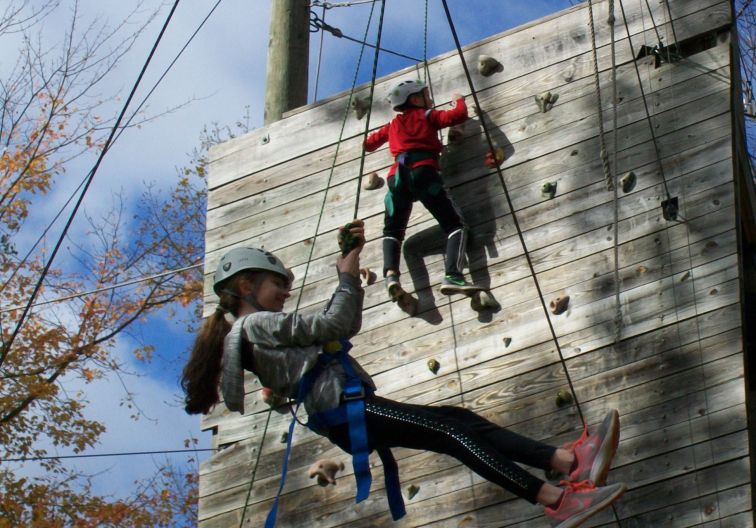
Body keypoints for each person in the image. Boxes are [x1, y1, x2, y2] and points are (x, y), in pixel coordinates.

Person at [181, 221, 626, 528]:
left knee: (455, 420)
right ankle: (556, 500)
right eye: (277, 287)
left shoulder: (251, 333)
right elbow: (335, 325)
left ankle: (566, 462)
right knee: (451, 433)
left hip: (345, 410)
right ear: (244, 288)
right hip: (346, 408)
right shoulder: (253, 325)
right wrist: (346, 277)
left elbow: (328, 334)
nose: (283, 296)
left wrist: (348, 260)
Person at [364, 79, 481, 301]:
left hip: (397, 179)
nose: (430, 100)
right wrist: (459, 100)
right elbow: (456, 116)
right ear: (416, 99)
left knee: (392, 231)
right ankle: (453, 275)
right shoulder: (426, 115)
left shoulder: (393, 125)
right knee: (456, 226)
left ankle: (391, 276)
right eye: (426, 95)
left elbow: (369, 145)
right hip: (423, 172)